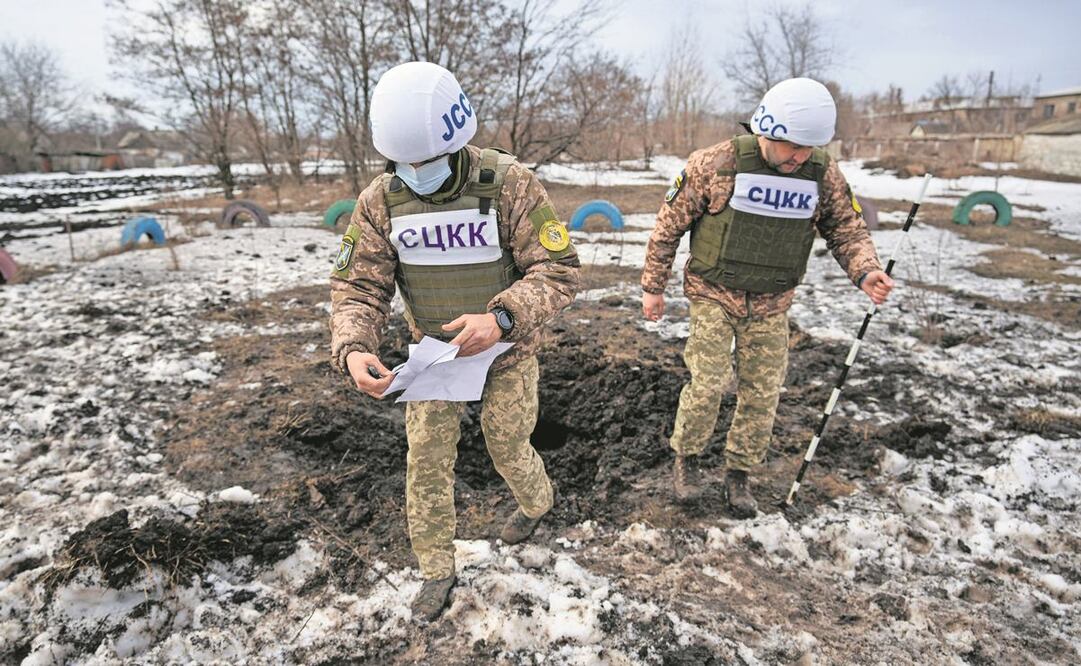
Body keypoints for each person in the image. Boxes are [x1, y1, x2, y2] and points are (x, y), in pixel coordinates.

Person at [329, 61, 580, 622]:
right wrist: (354, 345)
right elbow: (357, 285)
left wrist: (503, 319)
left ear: (456, 139)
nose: (416, 172)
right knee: (427, 459)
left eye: (427, 161)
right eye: (405, 162)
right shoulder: (381, 202)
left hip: (507, 351)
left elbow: (558, 270)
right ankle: (435, 570)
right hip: (436, 354)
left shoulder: (509, 185)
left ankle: (537, 503)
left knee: (506, 445)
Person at [640, 77, 894, 517]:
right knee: (709, 383)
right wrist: (652, 287)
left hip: (772, 302)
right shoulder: (714, 165)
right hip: (713, 293)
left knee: (762, 392)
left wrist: (866, 271)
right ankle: (688, 459)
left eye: (807, 149)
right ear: (768, 129)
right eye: (792, 146)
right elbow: (668, 227)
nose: (799, 157)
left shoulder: (821, 173)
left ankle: (739, 473)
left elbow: (846, 228)